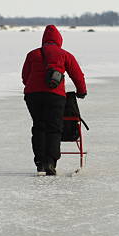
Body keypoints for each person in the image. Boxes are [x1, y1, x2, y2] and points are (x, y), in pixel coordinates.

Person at [22, 25, 87, 175]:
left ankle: (39, 163)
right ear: (59, 40)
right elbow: (77, 75)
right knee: (54, 128)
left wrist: (34, 87)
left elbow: (25, 77)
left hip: (33, 96)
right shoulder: (65, 55)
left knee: (38, 126)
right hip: (55, 96)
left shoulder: (32, 54)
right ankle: (50, 162)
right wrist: (81, 91)